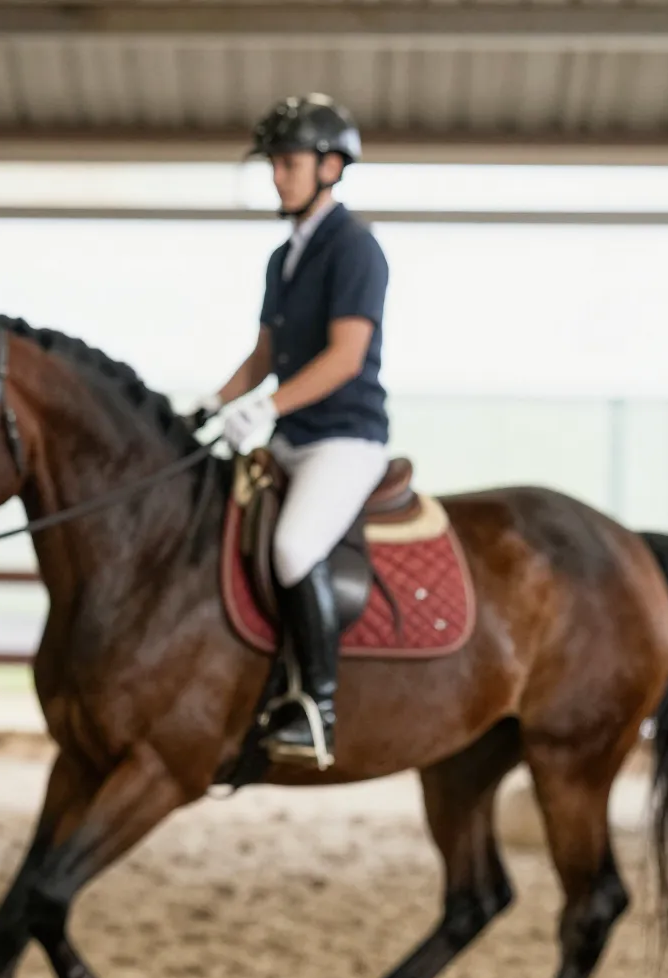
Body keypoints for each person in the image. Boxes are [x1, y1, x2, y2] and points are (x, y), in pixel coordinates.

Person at [202, 93, 390, 766]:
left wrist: (269, 407)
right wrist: (209, 404)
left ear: (331, 166)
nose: (277, 176)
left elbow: (344, 357)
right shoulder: (282, 260)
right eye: (274, 164)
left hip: (342, 439)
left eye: (288, 163)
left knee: (291, 547)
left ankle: (318, 706)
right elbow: (262, 357)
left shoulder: (355, 248)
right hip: (287, 436)